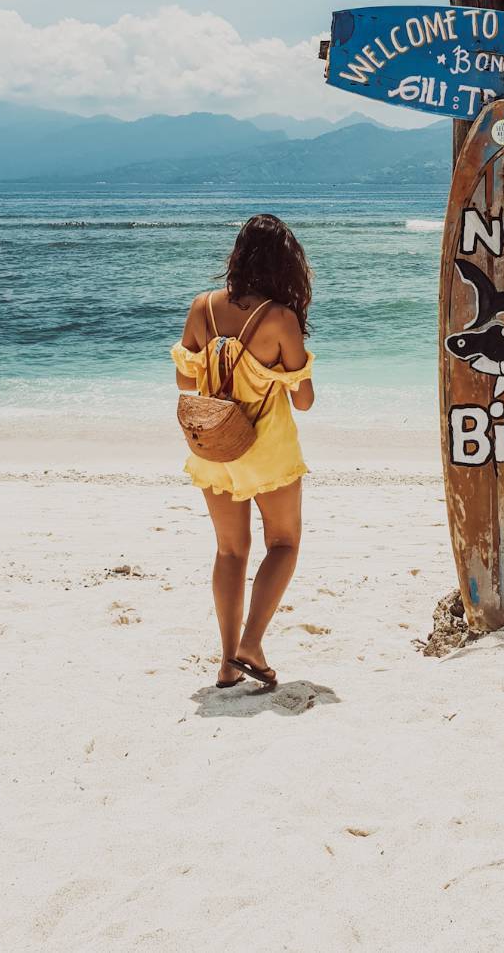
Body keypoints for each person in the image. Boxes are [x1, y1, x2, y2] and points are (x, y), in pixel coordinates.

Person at [171, 213, 314, 691]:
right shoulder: (280, 319)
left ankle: (228, 663)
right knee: (284, 544)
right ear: (284, 264)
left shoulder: (201, 308)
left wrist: (223, 361)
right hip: (267, 449)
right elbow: (303, 399)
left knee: (230, 550)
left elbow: (184, 380)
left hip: (216, 447)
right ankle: (251, 644)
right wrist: (270, 371)